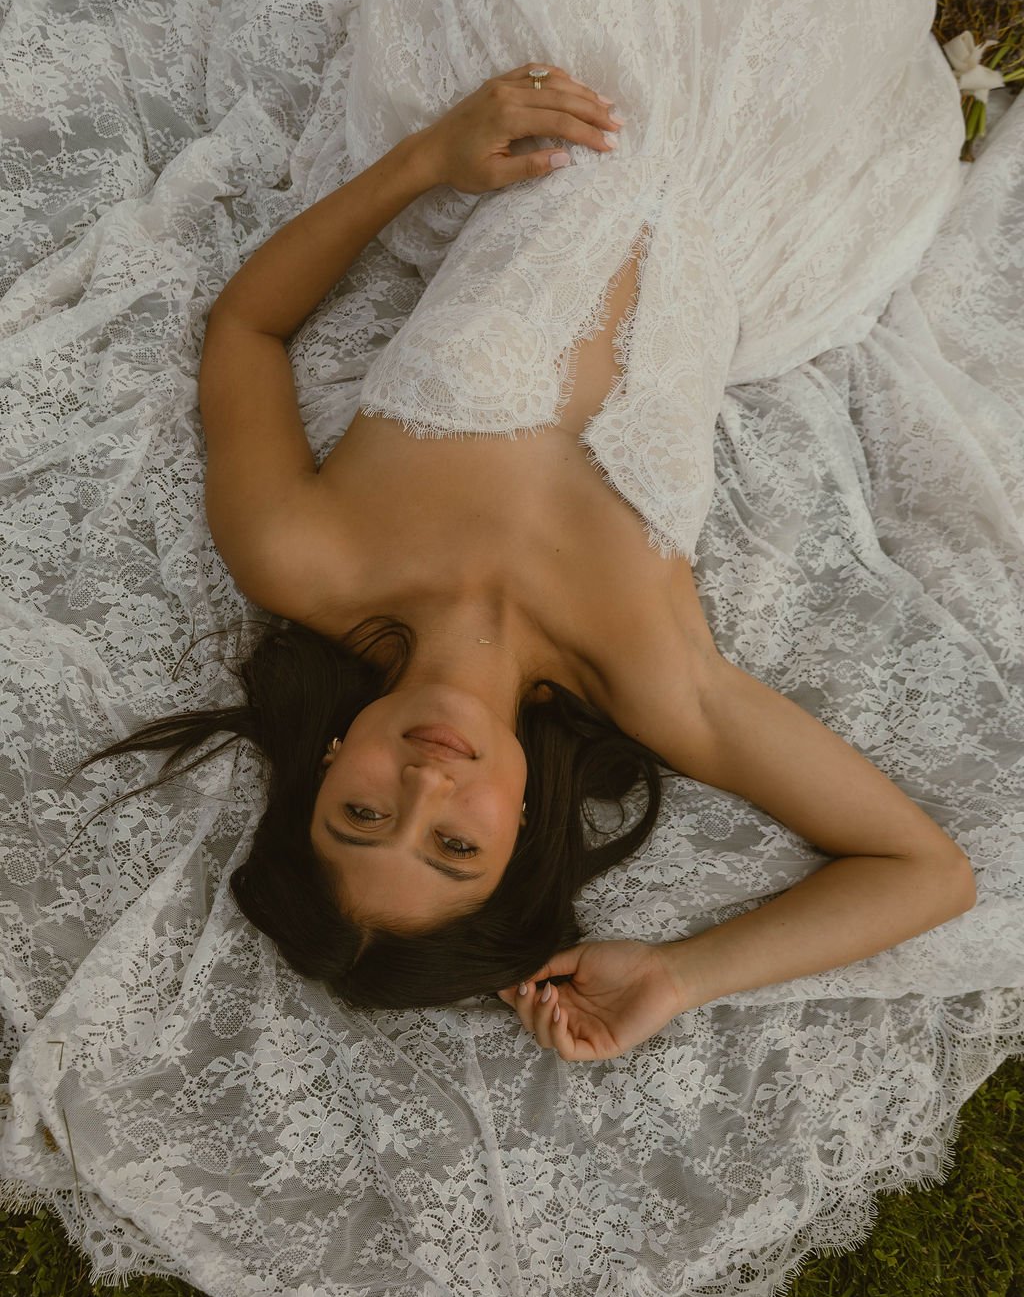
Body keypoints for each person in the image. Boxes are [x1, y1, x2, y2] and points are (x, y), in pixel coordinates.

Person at [74, 63, 976, 1061]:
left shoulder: (299, 560)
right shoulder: (657, 682)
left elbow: (245, 330)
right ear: (521, 835)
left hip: (562, 94)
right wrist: (679, 975)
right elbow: (924, 870)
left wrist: (423, 161)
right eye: (456, 845)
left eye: (363, 812)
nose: (425, 786)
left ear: (323, 769)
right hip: (767, 193)